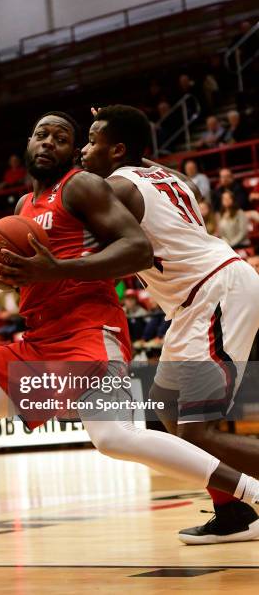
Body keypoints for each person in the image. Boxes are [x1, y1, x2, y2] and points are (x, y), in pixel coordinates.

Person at [0, 113, 259, 594]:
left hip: (91, 332)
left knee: (129, 435)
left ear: (79, 152)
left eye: (66, 138)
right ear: (27, 142)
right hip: (40, 340)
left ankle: (248, 495)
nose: (50, 142)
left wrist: (59, 269)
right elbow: (18, 278)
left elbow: (136, 249)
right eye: (41, 133)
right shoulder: (23, 204)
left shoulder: (85, 187)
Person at [82, 104, 259, 545]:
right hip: (196, 298)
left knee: (197, 431)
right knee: (166, 405)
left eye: (92, 141)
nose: (84, 151)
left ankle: (241, 501)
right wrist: (126, 129)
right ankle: (232, 510)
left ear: (118, 150)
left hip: (215, 289)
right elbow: (146, 160)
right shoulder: (168, 176)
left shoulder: (117, 188)